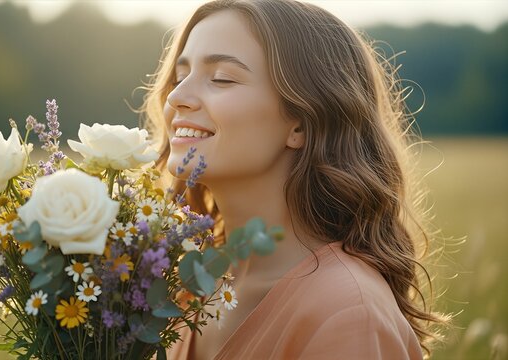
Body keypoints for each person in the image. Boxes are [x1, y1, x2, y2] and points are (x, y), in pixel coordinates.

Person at [139, 0, 448, 358]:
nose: (176, 96)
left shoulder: (347, 313)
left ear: (300, 122)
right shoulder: (180, 286)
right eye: (180, 77)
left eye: (221, 78)